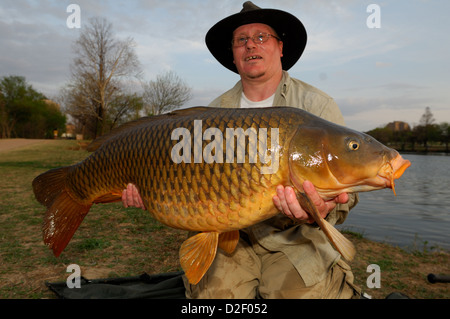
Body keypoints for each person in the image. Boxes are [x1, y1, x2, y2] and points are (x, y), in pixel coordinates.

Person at [122, 1, 361, 299]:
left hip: (296, 239)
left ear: (281, 48)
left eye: (261, 37)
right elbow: (188, 181)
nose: (251, 45)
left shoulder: (316, 105)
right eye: (241, 40)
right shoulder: (214, 113)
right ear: (234, 54)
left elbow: (346, 190)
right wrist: (152, 191)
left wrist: (323, 208)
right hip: (228, 236)